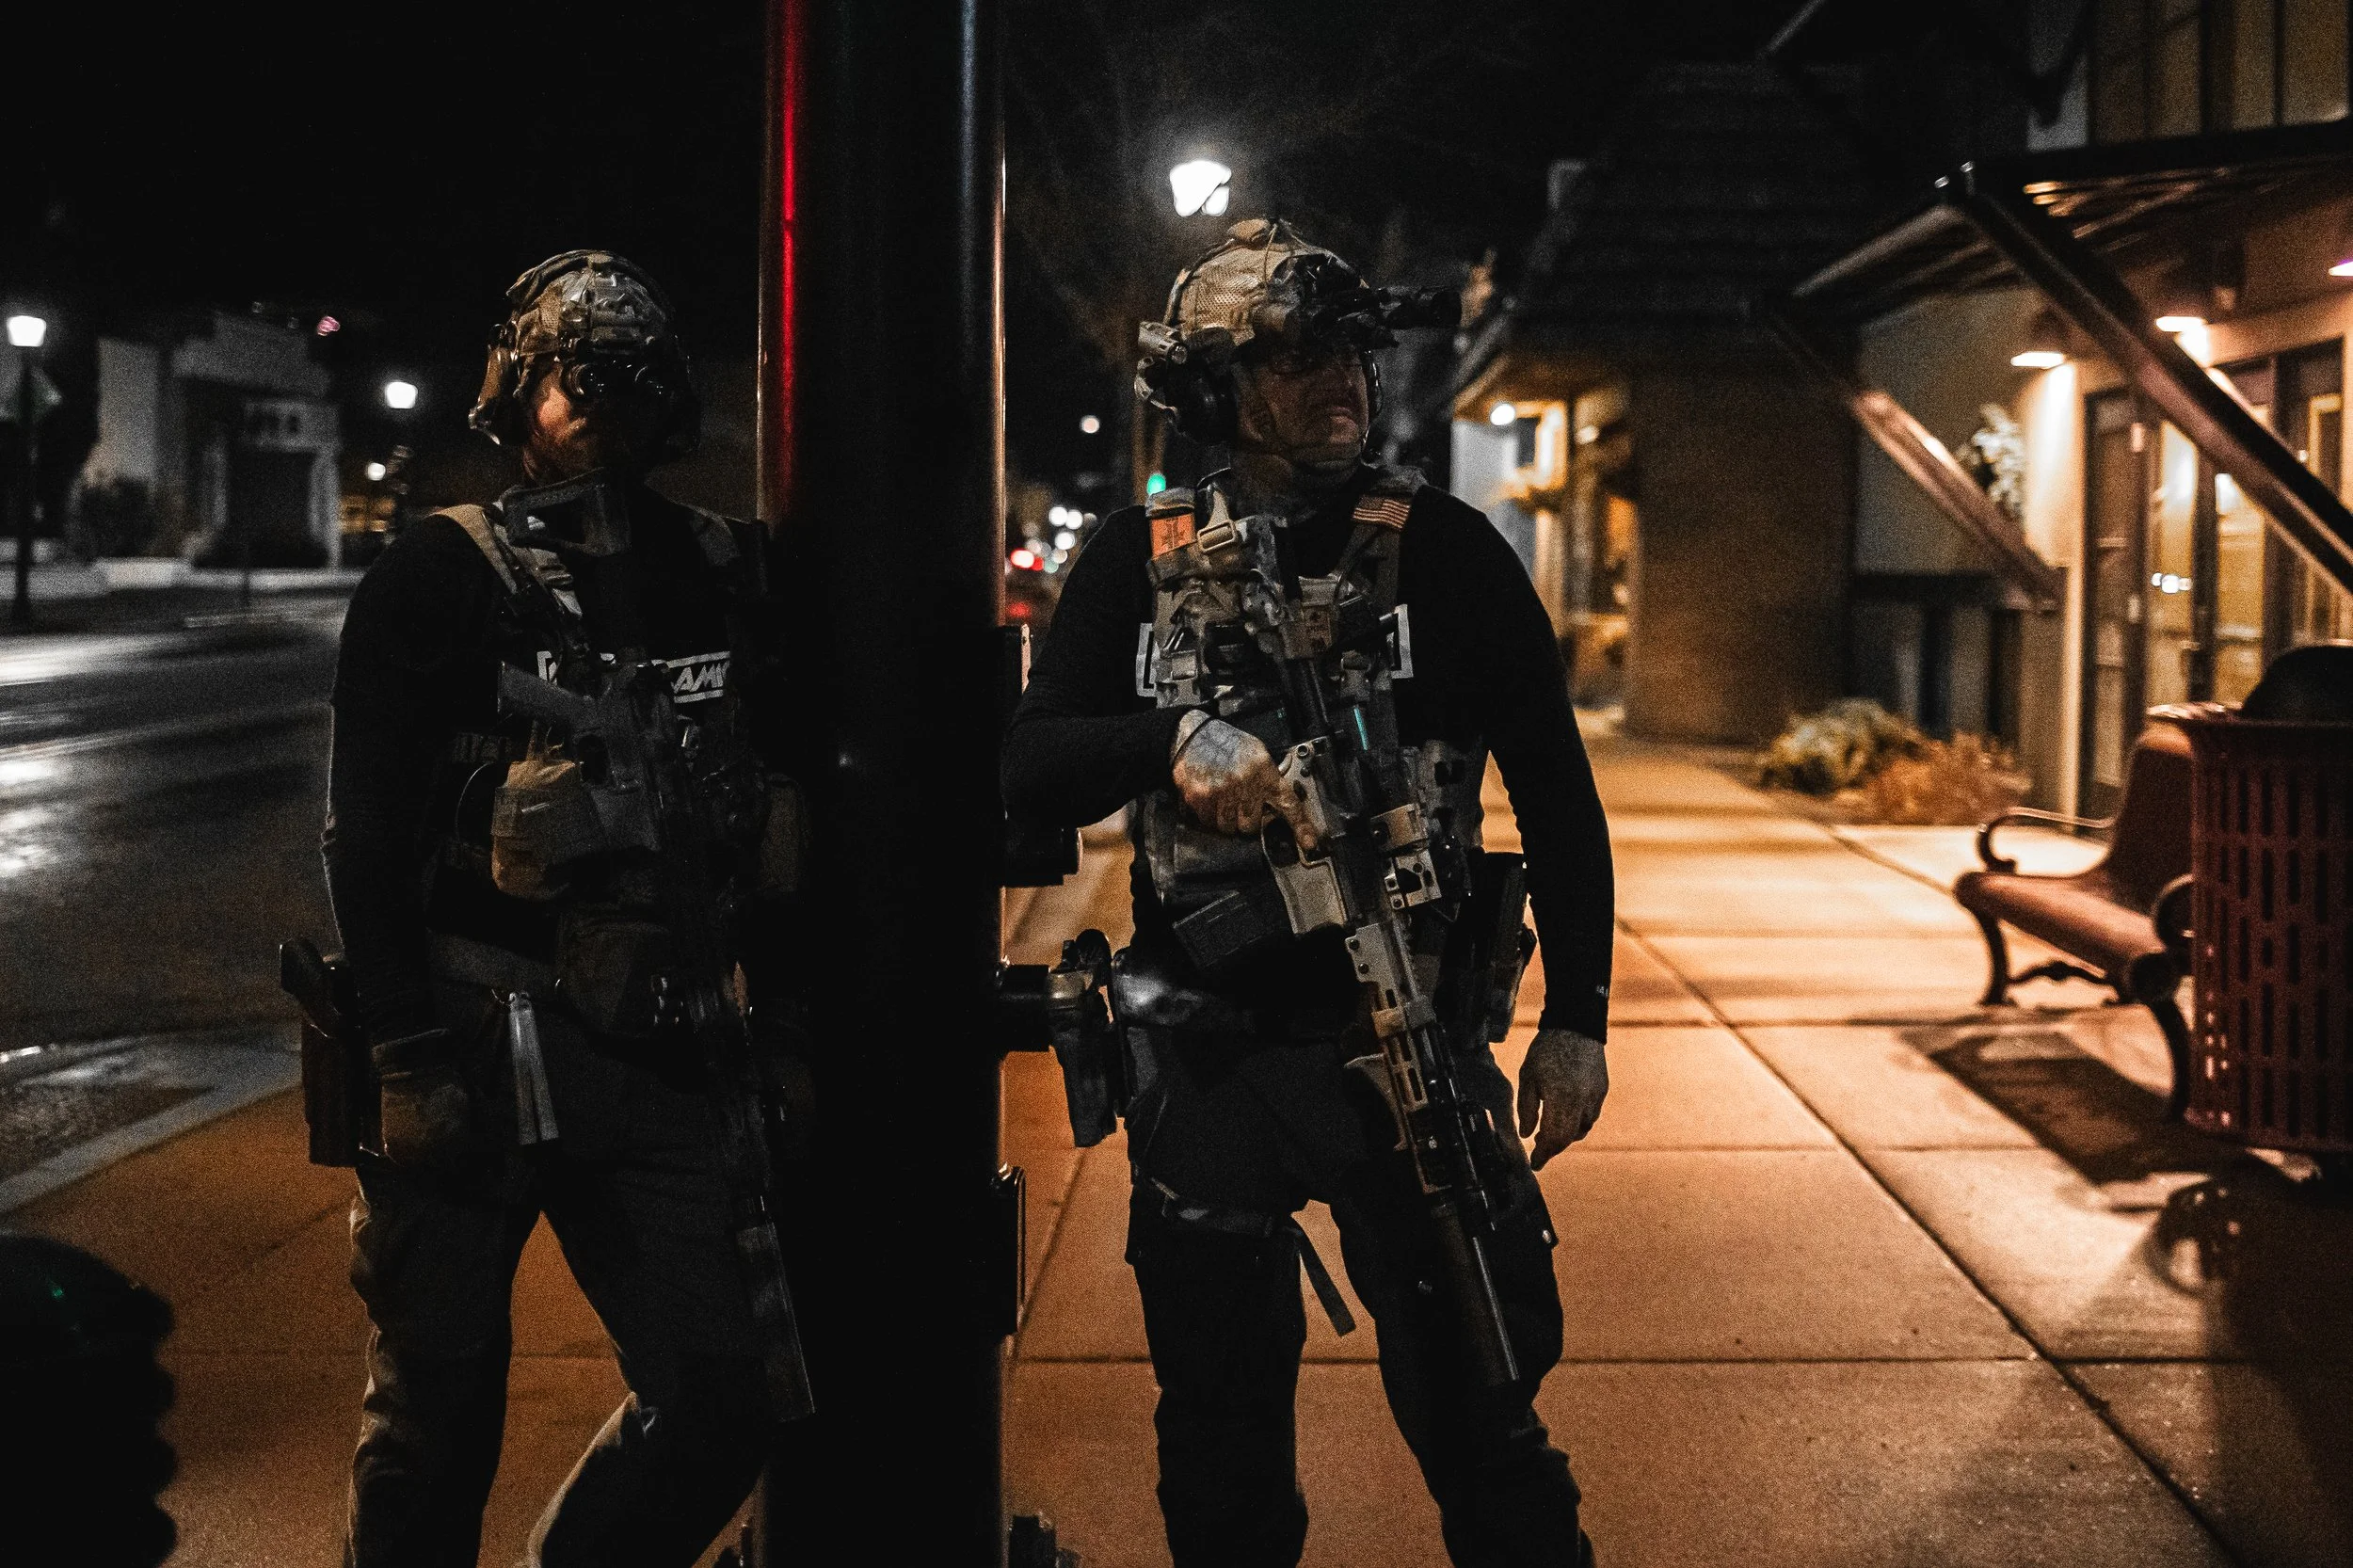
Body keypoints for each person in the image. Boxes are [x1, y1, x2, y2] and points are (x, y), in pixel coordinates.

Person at [1002, 218, 1615, 1567]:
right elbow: (1030, 762)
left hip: (1407, 1049)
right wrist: (1167, 738)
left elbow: (1559, 796)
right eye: (1298, 358)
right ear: (1218, 390)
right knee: (1219, 1440)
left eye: (1354, 353)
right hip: (1207, 1060)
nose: (1343, 379)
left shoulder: (1448, 552)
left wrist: (1580, 1018)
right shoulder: (1139, 557)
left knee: (1485, 1412)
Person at [323, 251, 804, 1567]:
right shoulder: (438, 573)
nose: (596, 403)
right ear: (513, 393)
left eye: (629, 379)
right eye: (568, 377)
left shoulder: (722, 568)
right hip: (472, 1036)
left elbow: (788, 798)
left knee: (728, 1387)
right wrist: (405, 1054)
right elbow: (367, 833)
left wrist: (783, 1018)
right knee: (433, 1418)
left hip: (655, 1045)